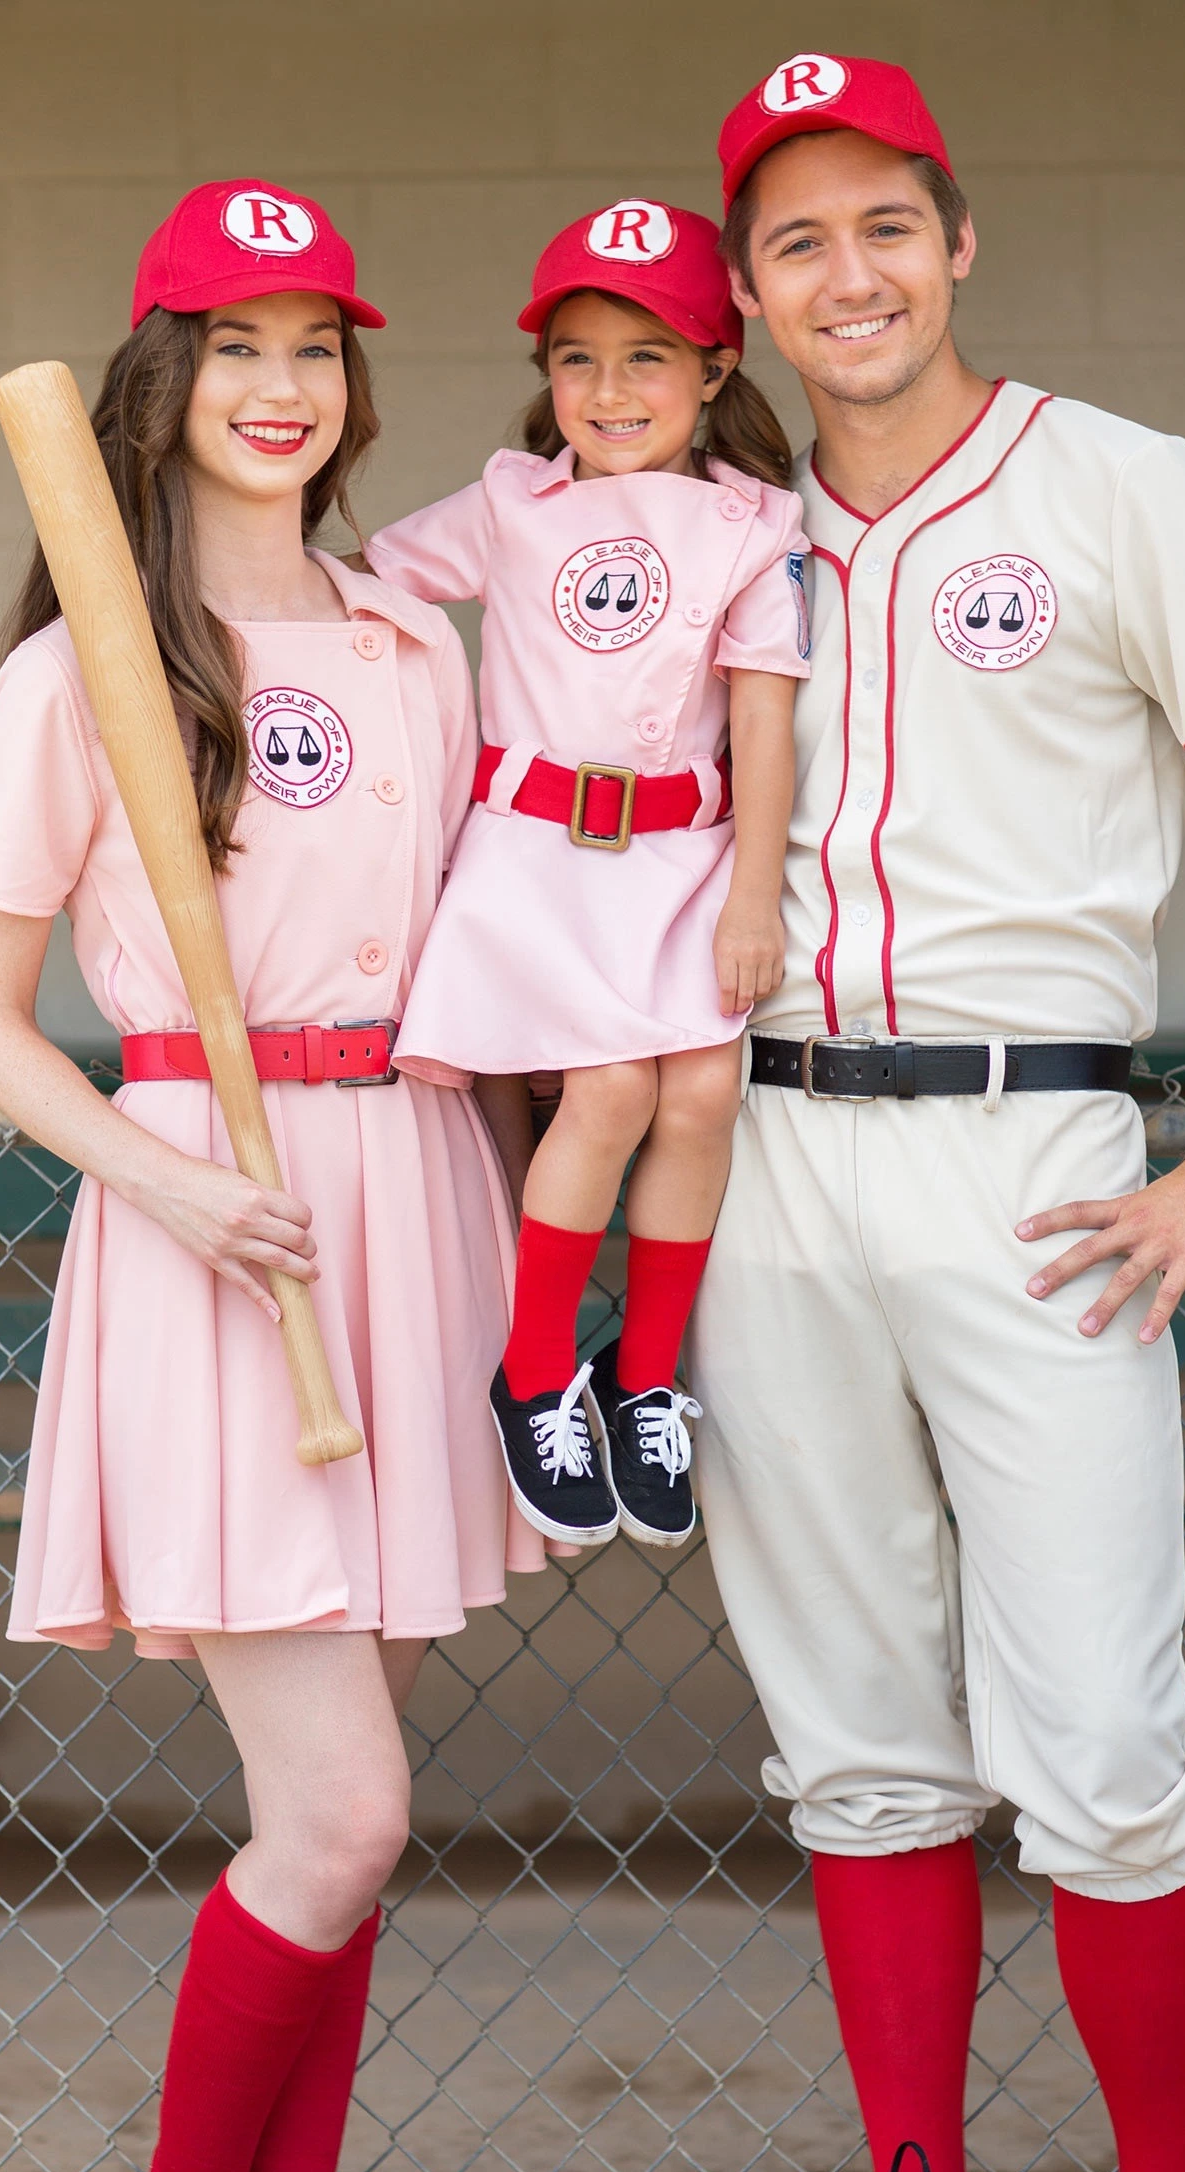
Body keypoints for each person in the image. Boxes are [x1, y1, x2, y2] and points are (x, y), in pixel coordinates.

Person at [686, 56, 1185, 2172]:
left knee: (1096, 1748)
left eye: (884, 222)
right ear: (748, 292)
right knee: (859, 1748)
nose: (847, 274)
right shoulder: (707, 518)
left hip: (1032, 1160)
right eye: (793, 242)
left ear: (955, 239)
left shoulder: (1112, 482)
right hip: (768, 1154)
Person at [0, 180, 546, 2172]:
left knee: (352, 1799)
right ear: (160, 382)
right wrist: (166, 1178)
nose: (282, 386)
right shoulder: (79, 665)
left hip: (408, 1195)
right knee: (344, 1812)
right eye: (234, 344)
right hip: (213, 1220)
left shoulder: (411, 638)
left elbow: (488, 977)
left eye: (315, 343)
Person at [366, 202, 808, 1552]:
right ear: (545, 375)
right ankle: (537, 1366)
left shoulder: (752, 527)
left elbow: (763, 723)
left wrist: (751, 900)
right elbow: (372, 585)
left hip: (683, 862)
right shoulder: (512, 505)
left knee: (701, 1090)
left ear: (716, 371)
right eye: (575, 358)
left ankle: (647, 1372)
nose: (607, 390)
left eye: (647, 356)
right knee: (611, 1088)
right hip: (535, 858)